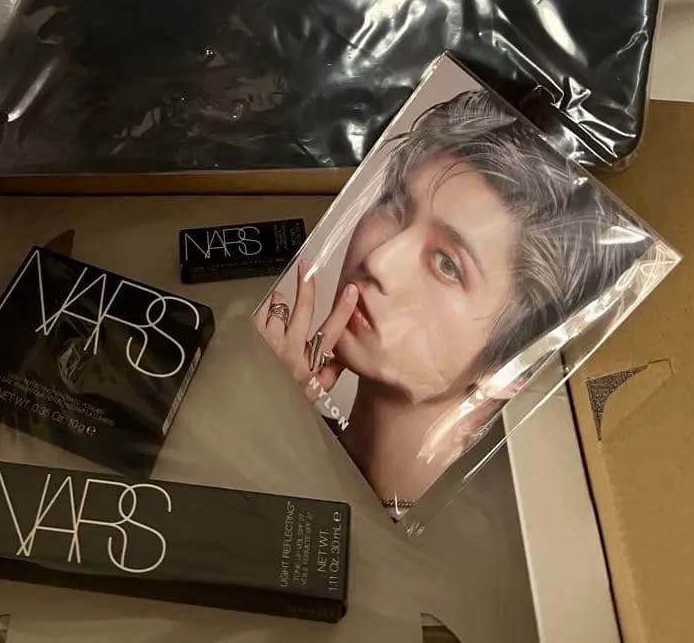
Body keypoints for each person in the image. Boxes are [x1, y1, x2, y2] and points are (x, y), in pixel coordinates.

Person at [255, 88, 648, 515]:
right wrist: (265, 404)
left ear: (514, 363)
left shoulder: (480, 531)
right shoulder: (286, 426)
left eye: (447, 264)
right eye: (395, 207)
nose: (380, 262)